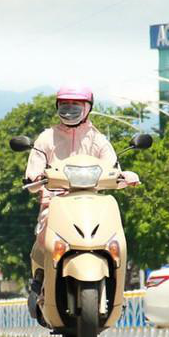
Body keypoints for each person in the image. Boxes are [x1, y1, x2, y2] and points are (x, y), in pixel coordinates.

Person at [24, 86, 140, 310]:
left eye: (76, 106)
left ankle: (117, 292)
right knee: (44, 241)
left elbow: (114, 168)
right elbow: (33, 172)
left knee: (117, 240)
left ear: (88, 108)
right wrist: (33, 178)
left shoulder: (98, 139)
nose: (70, 111)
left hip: (92, 204)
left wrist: (126, 176)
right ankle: (41, 283)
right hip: (55, 202)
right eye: (65, 105)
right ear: (58, 107)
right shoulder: (46, 138)